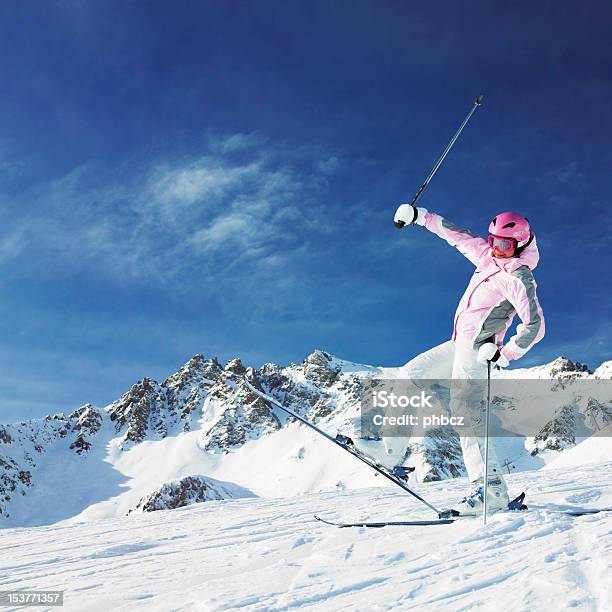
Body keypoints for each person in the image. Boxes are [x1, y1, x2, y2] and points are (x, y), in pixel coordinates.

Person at [392, 203, 545, 515]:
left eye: (503, 245)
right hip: (458, 343)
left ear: (520, 244)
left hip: (478, 350)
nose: (495, 249)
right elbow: (457, 236)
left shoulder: (519, 275)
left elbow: (535, 325)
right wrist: (420, 216)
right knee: (410, 374)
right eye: (492, 241)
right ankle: (383, 450)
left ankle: (490, 489)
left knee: (465, 411)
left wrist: (506, 352)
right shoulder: (487, 257)